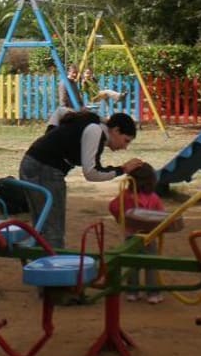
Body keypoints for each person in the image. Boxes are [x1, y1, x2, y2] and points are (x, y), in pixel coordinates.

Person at [20, 110, 143, 249]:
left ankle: (38, 267)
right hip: (45, 169)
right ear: (115, 130)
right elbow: (91, 172)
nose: (125, 147)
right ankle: (54, 268)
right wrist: (123, 169)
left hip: (31, 163)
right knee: (53, 231)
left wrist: (51, 137)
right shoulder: (95, 130)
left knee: (42, 226)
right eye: (126, 140)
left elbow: (61, 111)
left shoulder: (93, 123)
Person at [108, 163, 165, 304]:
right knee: (151, 264)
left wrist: (120, 219)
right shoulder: (153, 197)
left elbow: (113, 206)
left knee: (132, 263)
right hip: (148, 236)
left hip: (130, 234)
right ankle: (153, 294)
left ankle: (132, 292)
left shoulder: (125, 195)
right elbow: (162, 215)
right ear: (151, 181)